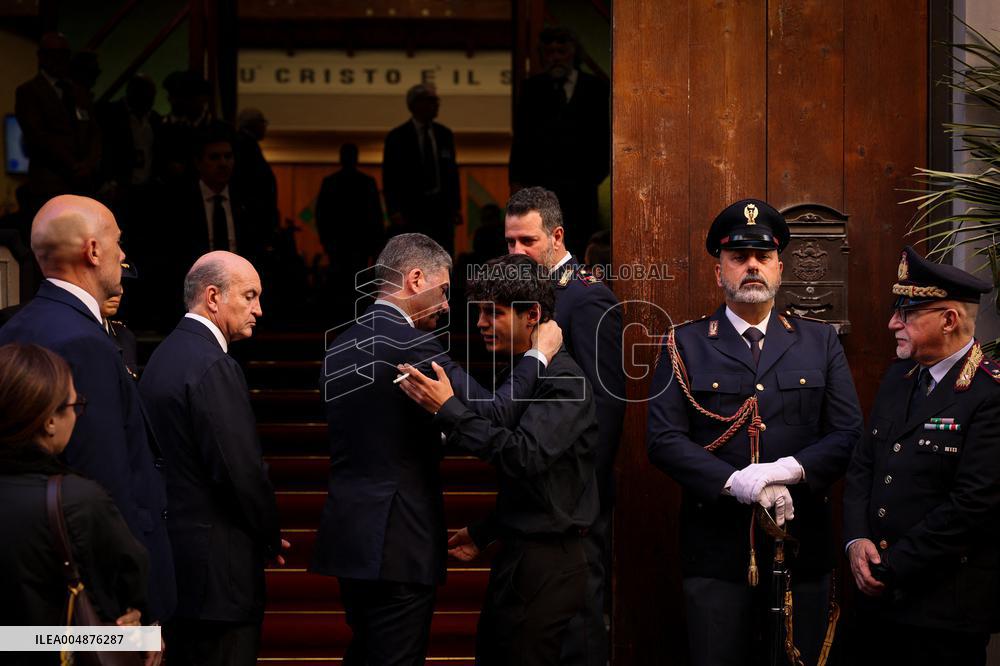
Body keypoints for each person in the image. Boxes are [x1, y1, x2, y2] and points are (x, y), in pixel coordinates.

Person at [311, 233, 563, 666]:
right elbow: (496, 414)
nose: (448, 306)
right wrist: (537, 357)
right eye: (444, 291)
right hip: (401, 542)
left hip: (349, 537)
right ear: (414, 279)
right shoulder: (415, 344)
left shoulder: (339, 346)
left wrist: (441, 432)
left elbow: (382, 431)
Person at [646, 198, 863, 666]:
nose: (751, 267)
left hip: (801, 545)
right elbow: (663, 440)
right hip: (718, 553)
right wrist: (732, 483)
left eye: (762, 257)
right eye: (738, 258)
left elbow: (848, 433)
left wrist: (791, 470)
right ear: (718, 271)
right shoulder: (682, 344)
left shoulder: (819, 341)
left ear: (780, 268)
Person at [397, 253, 599, 665]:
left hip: (548, 562)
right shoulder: (526, 372)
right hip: (522, 552)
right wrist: (488, 530)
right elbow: (541, 483)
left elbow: (522, 456)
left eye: (495, 313)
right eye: (480, 312)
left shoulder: (565, 381)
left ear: (533, 316)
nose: (481, 323)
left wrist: (448, 409)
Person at [0, 194, 176, 622]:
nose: (123, 254)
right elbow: (107, 479)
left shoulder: (15, 324)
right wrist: (131, 607)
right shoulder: (84, 342)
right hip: (92, 599)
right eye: (118, 241)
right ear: (94, 251)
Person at [843, 246, 1000, 666]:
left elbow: (972, 505)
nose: (892, 322)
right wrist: (857, 540)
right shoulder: (899, 376)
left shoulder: (989, 394)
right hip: (876, 602)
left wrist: (891, 566)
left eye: (907, 312)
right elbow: (864, 464)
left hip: (942, 612)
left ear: (948, 319)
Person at [140, 251, 286, 665]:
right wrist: (268, 534)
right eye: (250, 295)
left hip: (179, 562)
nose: (259, 309)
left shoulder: (165, 354)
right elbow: (240, 470)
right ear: (212, 297)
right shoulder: (213, 364)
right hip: (218, 575)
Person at [503, 186, 624, 665]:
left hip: (575, 495)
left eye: (527, 241)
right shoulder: (522, 295)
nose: (516, 251)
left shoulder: (587, 299)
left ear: (556, 237)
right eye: (509, 241)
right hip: (534, 485)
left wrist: (582, 492)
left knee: (578, 620)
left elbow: (607, 406)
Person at [0, 342, 156, 666]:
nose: (77, 414)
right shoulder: (78, 501)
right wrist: (144, 635)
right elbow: (127, 592)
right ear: (49, 421)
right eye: (75, 404)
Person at [509, 28, 610, 259]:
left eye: (561, 51)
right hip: (542, 187)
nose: (555, 57)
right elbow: (522, 140)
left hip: (582, 188)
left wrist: (592, 175)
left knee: (580, 244)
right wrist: (516, 182)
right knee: (542, 246)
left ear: (573, 52)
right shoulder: (532, 88)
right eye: (550, 51)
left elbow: (604, 139)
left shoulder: (595, 88)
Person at [15, 33, 98, 215]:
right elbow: (37, 136)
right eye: (53, 53)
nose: (59, 59)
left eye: (63, 53)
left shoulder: (78, 92)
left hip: (82, 184)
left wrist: (89, 165)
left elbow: (94, 133)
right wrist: (72, 165)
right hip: (49, 183)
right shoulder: (29, 92)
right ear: (42, 56)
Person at [382, 84, 461, 255]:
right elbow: (390, 177)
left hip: (441, 211)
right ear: (415, 104)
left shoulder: (444, 135)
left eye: (436, 100)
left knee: (442, 257)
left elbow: (452, 173)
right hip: (411, 210)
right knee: (413, 257)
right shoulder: (397, 137)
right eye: (431, 101)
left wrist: (455, 206)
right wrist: (394, 210)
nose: (436, 104)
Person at [316, 143, 385, 322]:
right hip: (359, 245)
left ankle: (340, 322)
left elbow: (321, 215)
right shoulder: (367, 182)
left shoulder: (331, 182)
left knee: (341, 286)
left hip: (340, 245)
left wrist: (326, 241)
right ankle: (357, 321)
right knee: (358, 286)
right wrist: (375, 246)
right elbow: (375, 217)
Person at [232, 107, 279, 234]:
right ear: (253, 124)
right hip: (253, 217)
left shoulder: (247, 145)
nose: (265, 127)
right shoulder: (245, 146)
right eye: (262, 123)